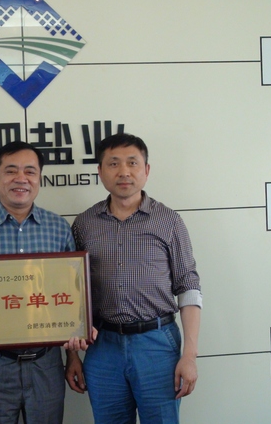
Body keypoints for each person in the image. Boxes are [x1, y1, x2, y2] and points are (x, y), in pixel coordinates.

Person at [0, 141, 92, 424]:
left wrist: (73, 353)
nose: (21, 178)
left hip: (46, 364)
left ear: (39, 178)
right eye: (11, 171)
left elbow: (73, 297)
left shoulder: (58, 228)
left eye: (30, 171)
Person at [65, 133, 202, 424]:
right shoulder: (85, 224)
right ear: (100, 171)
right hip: (102, 346)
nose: (124, 171)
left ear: (146, 170)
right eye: (113, 163)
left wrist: (189, 355)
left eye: (132, 163)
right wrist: (72, 356)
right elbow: (72, 293)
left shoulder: (169, 221)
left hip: (157, 343)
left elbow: (188, 287)